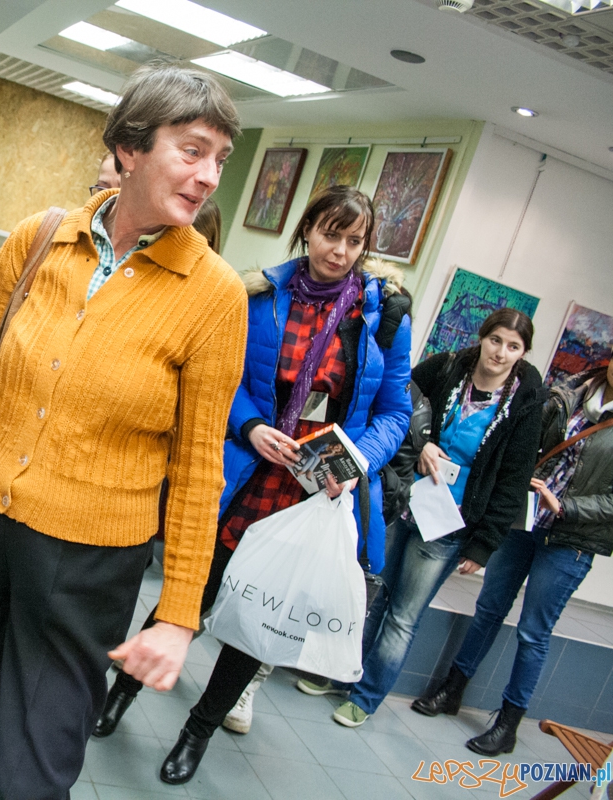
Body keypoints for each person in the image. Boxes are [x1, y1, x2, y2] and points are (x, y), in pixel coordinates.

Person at [0, 62, 248, 800]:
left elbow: (197, 466)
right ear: (129, 149)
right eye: (192, 149)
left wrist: (179, 615)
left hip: (89, 558)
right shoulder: (41, 239)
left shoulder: (215, 295)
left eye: (221, 157)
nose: (210, 174)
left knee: (34, 759)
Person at [95, 185, 414, 784]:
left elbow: (395, 413)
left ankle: (198, 732)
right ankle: (119, 697)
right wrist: (251, 425)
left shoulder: (384, 318)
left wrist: (354, 462)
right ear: (306, 229)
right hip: (246, 476)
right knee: (184, 598)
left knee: (261, 623)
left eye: (354, 241)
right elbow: (225, 377)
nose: (339, 251)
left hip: (315, 494)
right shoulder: (259, 295)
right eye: (329, 234)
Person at [313, 308, 545, 729]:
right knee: (371, 592)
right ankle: (342, 675)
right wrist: (425, 442)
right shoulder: (447, 367)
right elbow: (400, 402)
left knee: (403, 615)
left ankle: (365, 699)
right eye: (496, 340)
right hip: (404, 499)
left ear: (523, 353)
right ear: (483, 337)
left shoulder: (525, 406)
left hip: (448, 525)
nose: (500, 352)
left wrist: (483, 545)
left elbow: (512, 482)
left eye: (513, 346)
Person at [411, 354, 613, 754]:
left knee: (533, 632)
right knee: (488, 609)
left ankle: (507, 724)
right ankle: (452, 690)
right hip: (526, 521)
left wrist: (566, 506)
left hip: (571, 539)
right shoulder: (571, 392)